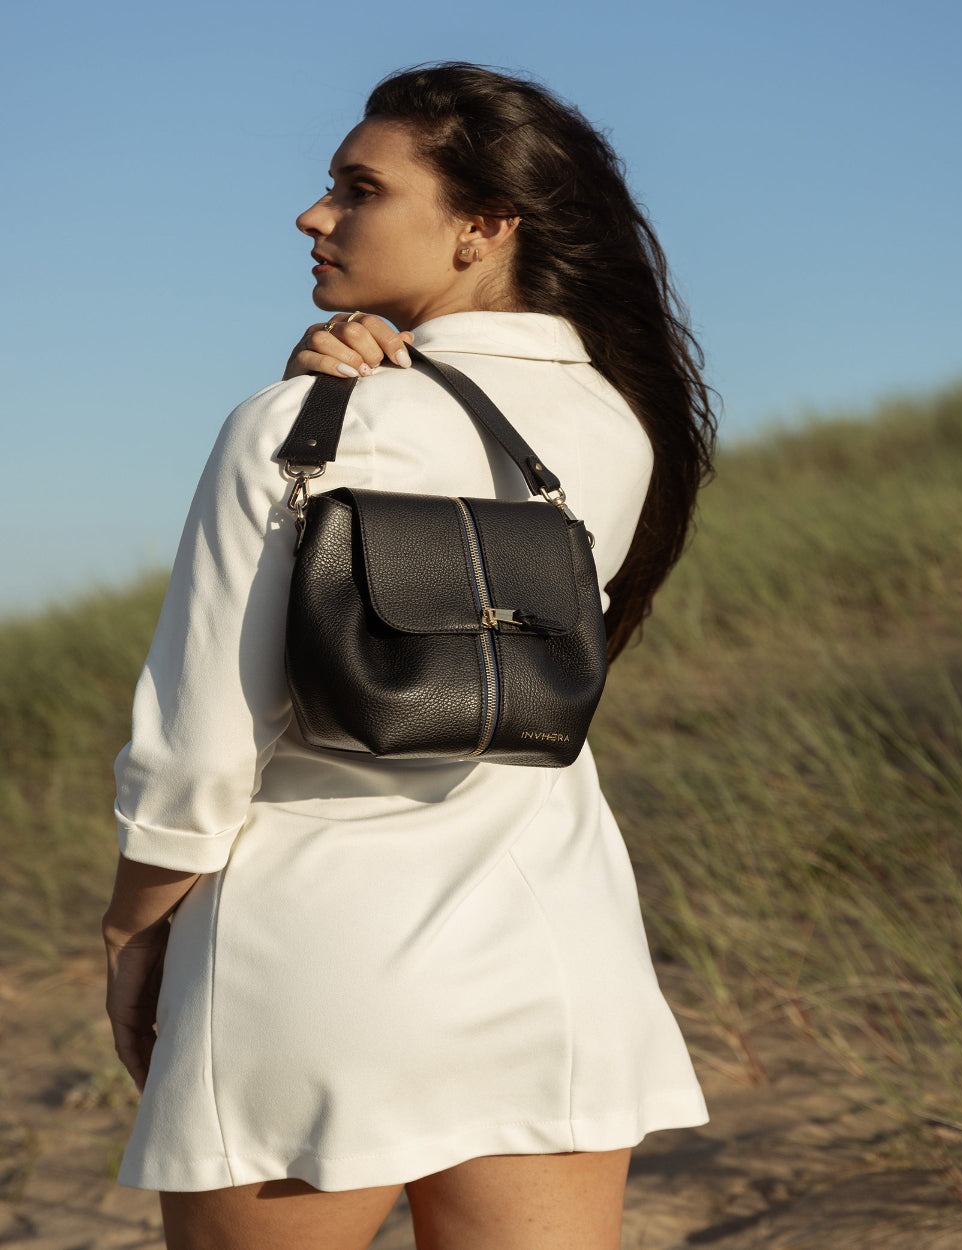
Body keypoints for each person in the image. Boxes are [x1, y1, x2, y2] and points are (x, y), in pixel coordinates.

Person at [102, 62, 718, 1250]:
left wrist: (134, 929)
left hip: (314, 957)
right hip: (554, 951)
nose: (313, 213)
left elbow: (203, 745)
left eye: (355, 187)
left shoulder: (294, 427)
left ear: (485, 227)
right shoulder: (613, 421)